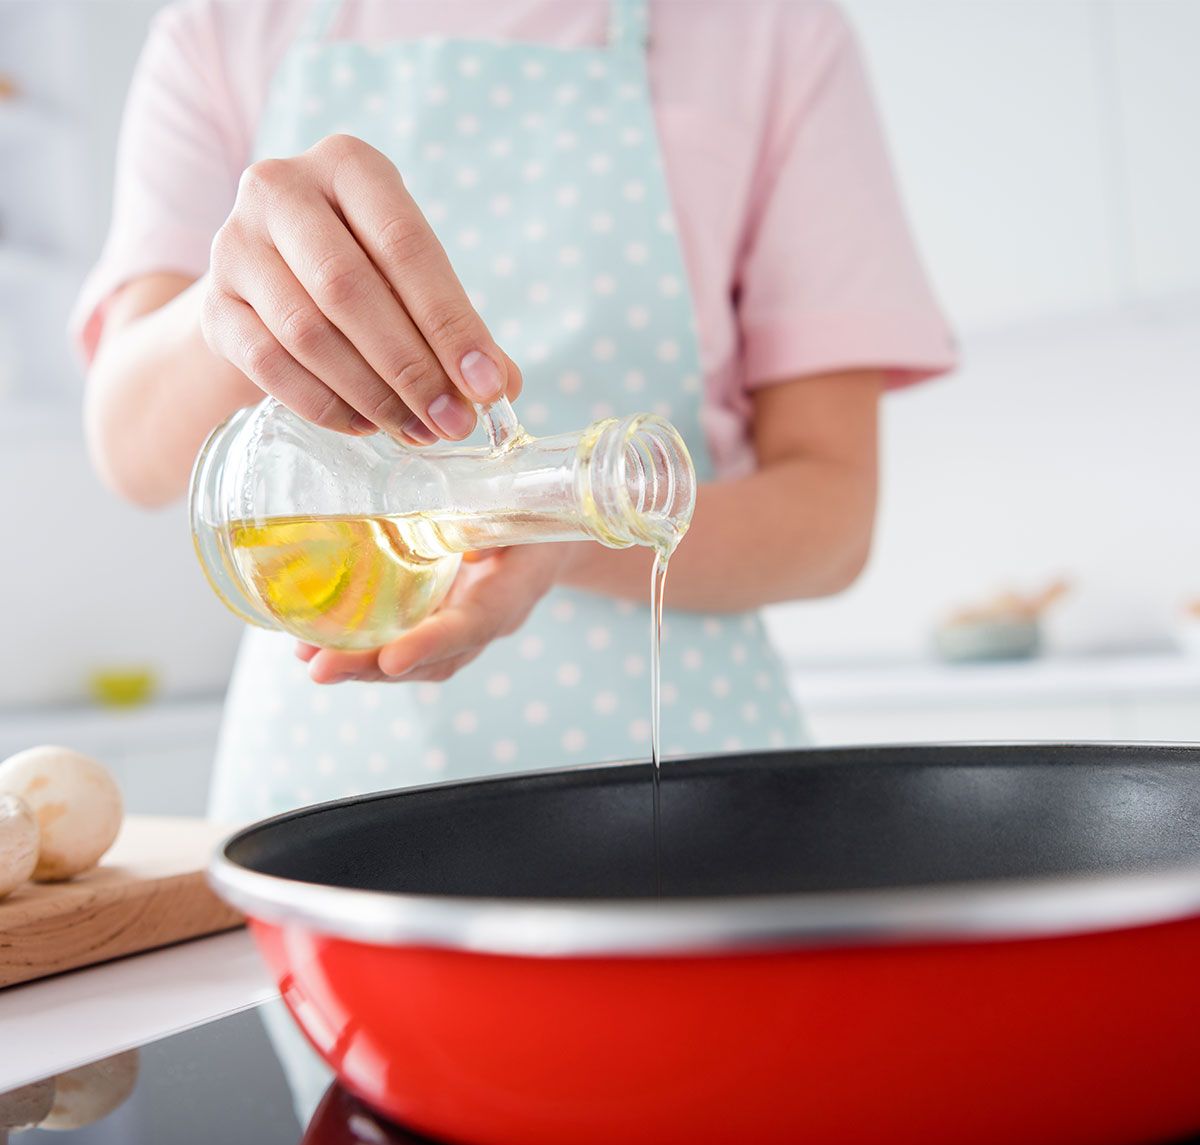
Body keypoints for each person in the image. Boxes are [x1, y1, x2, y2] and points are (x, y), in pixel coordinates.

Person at [75, 0, 954, 825]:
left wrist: (565, 529)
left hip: (696, 792)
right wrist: (229, 307)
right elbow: (128, 448)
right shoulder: (227, 29)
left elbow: (834, 518)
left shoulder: (769, 29)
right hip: (328, 787)